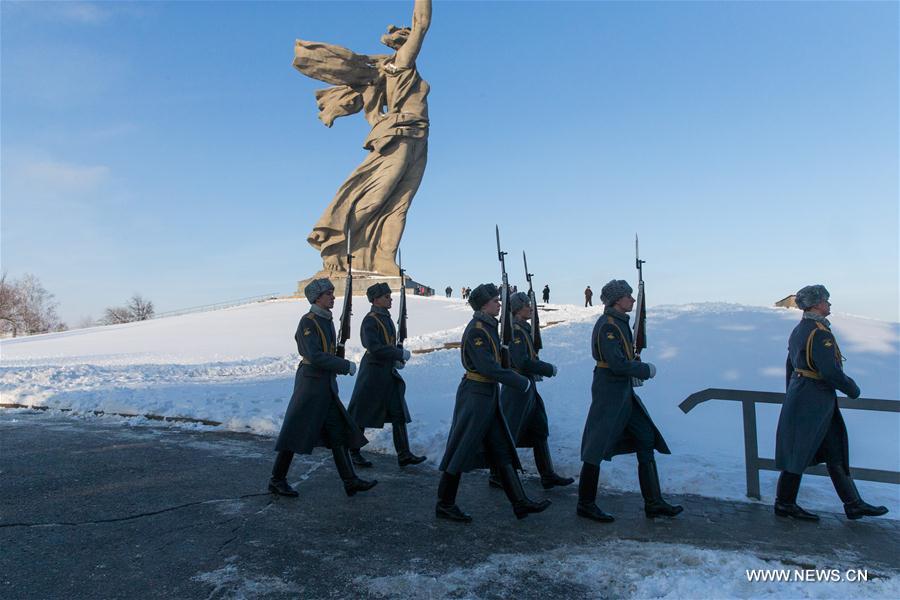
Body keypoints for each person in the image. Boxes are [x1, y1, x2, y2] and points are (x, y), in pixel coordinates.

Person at [294, 0, 432, 274]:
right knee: (375, 196)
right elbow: (422, 23)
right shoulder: (401, 63)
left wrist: (373, 116)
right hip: (399, 136)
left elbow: (371, 95)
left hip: (418, 138)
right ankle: (336, 243)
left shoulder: (396, 69)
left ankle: (384, 258)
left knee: (399, 205)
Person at [436, 283, 552, 522]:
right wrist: (519, 381)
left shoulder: (490, 327)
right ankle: (444, 503)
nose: (500, 304)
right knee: (460, 449)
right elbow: (488, 366)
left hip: (487, 395)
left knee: (501, 448)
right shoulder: (478, 329)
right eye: (495, 301)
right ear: (483, 304)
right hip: (476, 395)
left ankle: (519, 503)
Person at [773, 285, 888, 521]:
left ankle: (853, 504)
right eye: (826, 300)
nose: (829, 304)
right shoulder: (820, 333)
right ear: (816, 304)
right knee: (799, 450)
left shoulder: (799, 329)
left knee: (834, 449)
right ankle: (784, 504)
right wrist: (852, 388)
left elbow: (790, 366)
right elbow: (829, 371)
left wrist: (793, 394)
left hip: (806, 396)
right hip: (814, 398)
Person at [578, 279, 682, 522]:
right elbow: (616, 363)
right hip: (610, 390)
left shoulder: (620, 323)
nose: (633, 300)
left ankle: (653, 502)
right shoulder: (609, 325)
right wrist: (643, 370)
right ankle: (585, 503)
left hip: (623, 391)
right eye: (628, 296)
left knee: (645, 436)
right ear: (617, 299)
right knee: (596, 446)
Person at [269, 278, 377, 498]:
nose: (333, 296)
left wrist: (338, 358)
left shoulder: (326, 320)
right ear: (317, 297)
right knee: (294, 432)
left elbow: (327, 353)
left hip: (325, 385)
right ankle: (276, 480)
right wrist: (344, 365)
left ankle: (350, 481)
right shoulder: (308, 321)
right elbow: (315, 356)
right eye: (329, 293)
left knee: (338, 433)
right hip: (310, 384)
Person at [492, 292, 573, 490]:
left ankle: (547, 474)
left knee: (539, 429)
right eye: (527, 305)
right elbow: (522, 361)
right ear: (518, 309)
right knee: (509, 430)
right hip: (517, 389)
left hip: (527, 387)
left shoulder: (523, 329)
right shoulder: (516, 331)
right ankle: (496, 474)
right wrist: (545, 368)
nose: (530, 307)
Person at [347, 283, 427, 468]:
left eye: (390, 296)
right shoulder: (371, 320)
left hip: (387, 371)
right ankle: (353, 451)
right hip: (373, 372)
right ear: (375, 300)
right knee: (361, 413)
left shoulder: (386, 318)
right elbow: (374, 347)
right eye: (386, 297)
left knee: (398, 412)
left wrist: (396, 357)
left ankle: (404, 454)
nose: (390, 299)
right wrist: (398, 354)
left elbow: (388, 344)